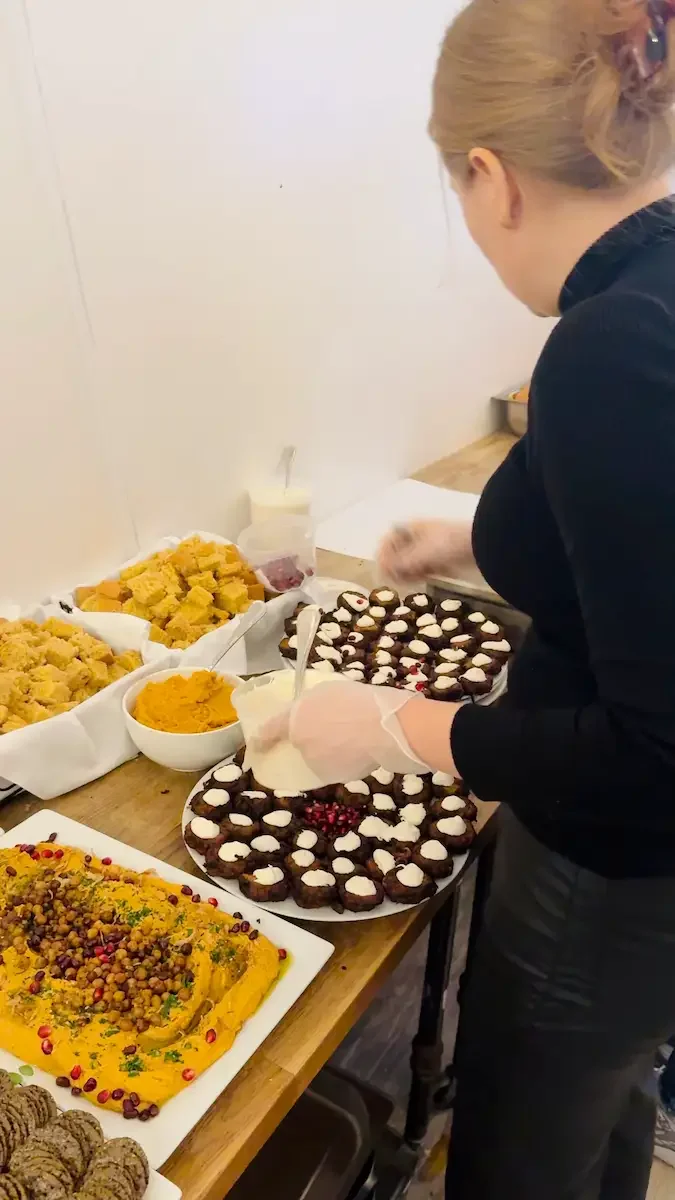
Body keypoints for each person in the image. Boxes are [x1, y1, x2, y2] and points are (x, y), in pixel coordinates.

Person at [259, 0, 675, 1196]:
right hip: (648, 904)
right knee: (607, 1101)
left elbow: (660, 752)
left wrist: (397, 729)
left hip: (614, 873)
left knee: (519, 1156)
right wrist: (494, 536)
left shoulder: (611, 346)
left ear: (490, 176)